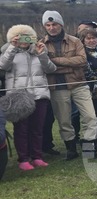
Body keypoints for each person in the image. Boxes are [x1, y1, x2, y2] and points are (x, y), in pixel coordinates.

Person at [41, 10, 97, 160]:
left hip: (79, 83)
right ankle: (71, 149)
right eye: (48, 24)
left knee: (90, 116)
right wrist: (68, 63)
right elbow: (45, 67)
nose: (52, 27)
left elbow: (81, 61)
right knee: (64, 121)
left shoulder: (75, 41)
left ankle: (88, 146)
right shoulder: (41, 44)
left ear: (61, 24)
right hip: (57, 86)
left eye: (55, 24)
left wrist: (56, 61)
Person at [0, 25, 56, 171]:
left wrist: (42, 54)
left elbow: (51, 69)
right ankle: (23, 158)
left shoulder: (38, 51)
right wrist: (12, 47)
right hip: (19, 97)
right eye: (20, 37)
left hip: (39, 94)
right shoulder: (8, 51)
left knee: (38, 128)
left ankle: (37, 156)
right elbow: (3, 66)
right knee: (21, 129)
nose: (24, 40)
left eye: (27, 37)